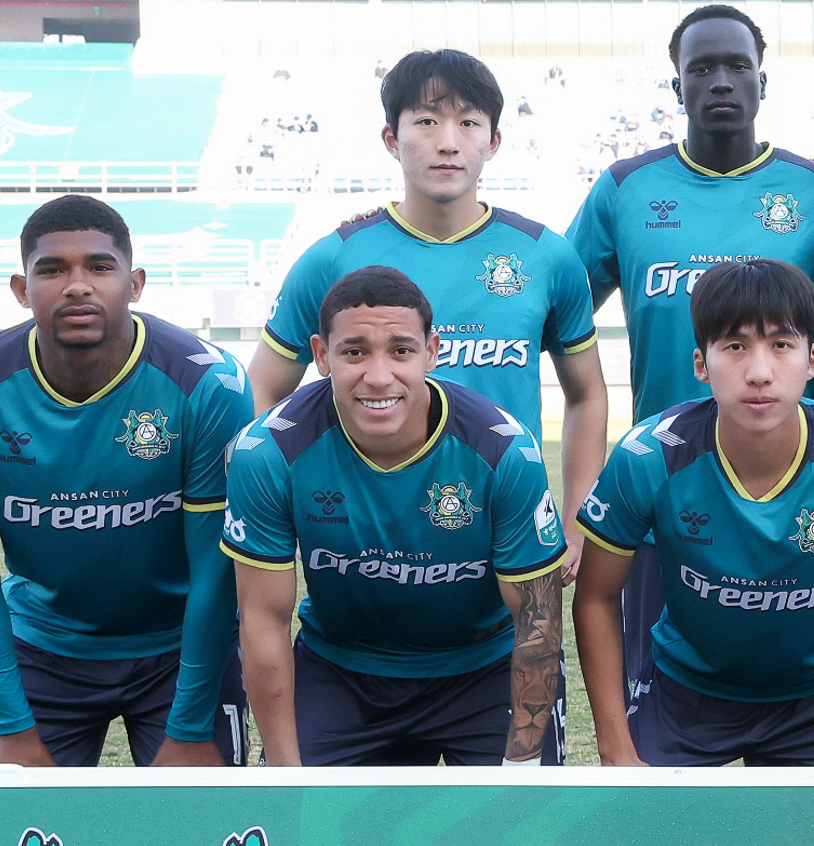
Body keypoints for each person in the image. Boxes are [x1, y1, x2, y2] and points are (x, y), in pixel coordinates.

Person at [567, 5, 814, 756]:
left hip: (793, 499)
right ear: (677, 86)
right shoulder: (625, 189)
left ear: (763, 81)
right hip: (660, 498)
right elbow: (552, 309)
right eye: (701, 68)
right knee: (658, 717)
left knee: (798, 705)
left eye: (736, 66)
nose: (721, 81)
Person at [572, 259, 814, 767]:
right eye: (735, 347)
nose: (759, 373)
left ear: (811, 360)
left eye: (781, 345)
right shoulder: (647, 458)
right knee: (644, 817)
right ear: (701, 364)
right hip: (685, 691)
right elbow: (595, 597)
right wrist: (616, 749)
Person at [251, 52, 607, 592]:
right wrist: (283, 501)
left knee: (522, 644)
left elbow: (586, 394)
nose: (448, 142)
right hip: (363, 541)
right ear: (391, 139)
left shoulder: (546, 256)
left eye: (468, 123)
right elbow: (262, 390)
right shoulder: (333, 258)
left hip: (501, 532)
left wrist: (579, 519)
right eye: (425, 121)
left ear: (494, 140)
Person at [0, 194, 251, 767]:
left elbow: (215, 573)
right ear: (21, 289)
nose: (78, 286)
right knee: (9, 818)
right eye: (52, 270)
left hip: (183, 649)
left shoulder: (209, 384)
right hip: (43, 647)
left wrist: (191, 724)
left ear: (135, 283)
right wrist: (13, 727)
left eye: (100, 267)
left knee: (201, 818)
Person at [224, 267, 568, 767]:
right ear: (321, 355)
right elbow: (263, 618)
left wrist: (521, 768)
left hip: (484, 669)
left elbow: (538, 618)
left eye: (401, 351)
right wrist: (285, 772)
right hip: (341, 671)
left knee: (520, 814)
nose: (379, 376)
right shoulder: (268, 452)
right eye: (354, 352)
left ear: (432, 351)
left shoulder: (504, 451)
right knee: (303, 814)